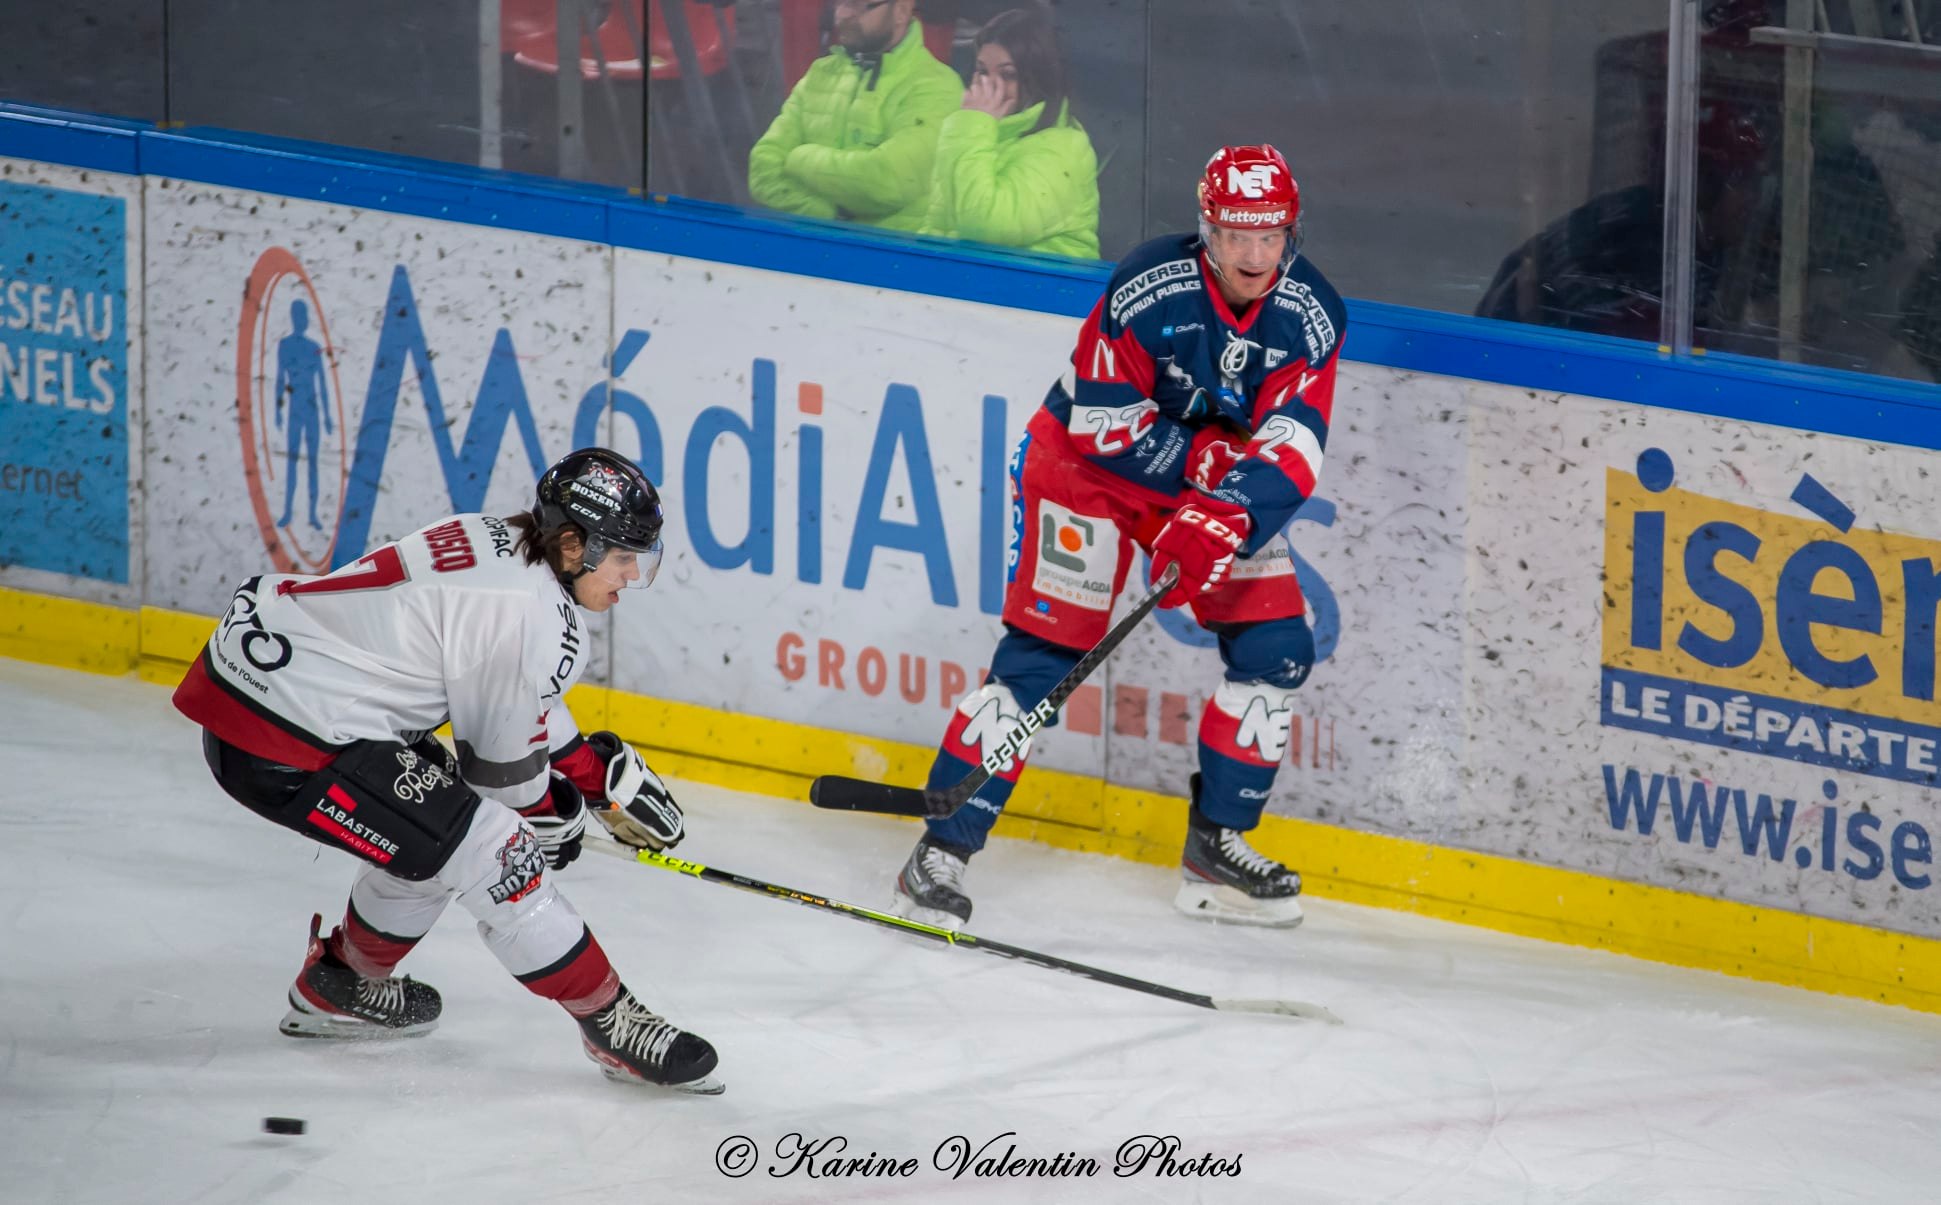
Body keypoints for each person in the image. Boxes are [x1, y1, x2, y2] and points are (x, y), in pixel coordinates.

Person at [892, 145, 1346, 931]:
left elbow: (1295, 442)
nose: (1253, 255)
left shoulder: (1311, 313)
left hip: (1207, 488)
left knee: (1276, 648)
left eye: (1269, 236)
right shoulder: (1148, 285)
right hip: (1085, 473)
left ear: (1290, 234)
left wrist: (1224, 511)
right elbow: (1102, 425)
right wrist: (1207, 476)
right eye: (1236, 235)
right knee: (1039, 661)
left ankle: (1214, 848)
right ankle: (940, 850)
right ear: (1207, 230)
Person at [171, 448, 720, 1093]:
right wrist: (555, 815)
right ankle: (611, 1022)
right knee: (497, 850)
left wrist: (589, 774)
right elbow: (505, 782)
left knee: (441, 832)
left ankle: (341, 987)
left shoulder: (499, 539)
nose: (631, 575)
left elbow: (513, 688)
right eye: (623, 557)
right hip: (289, 737)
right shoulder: (524, 611)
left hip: (269, 692)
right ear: (574, 545)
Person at [747, 0, 963, 232]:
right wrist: (829, 215)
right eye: (839, 3)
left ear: (900, 11)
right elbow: (762, 168)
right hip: (811, 244)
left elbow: (888, 182)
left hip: (892, 249)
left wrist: (800, 158)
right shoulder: (820, 73)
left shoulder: (938, 86)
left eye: (856, 4)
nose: (842, 14)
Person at [919, 5, 1099, 258]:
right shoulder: (974, 134)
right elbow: (937, 226)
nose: (989, 85)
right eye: (982, 71)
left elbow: (985, 227)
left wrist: (972, 125)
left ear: (1037, 77)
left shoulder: (1064, 147)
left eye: (1008, 75)